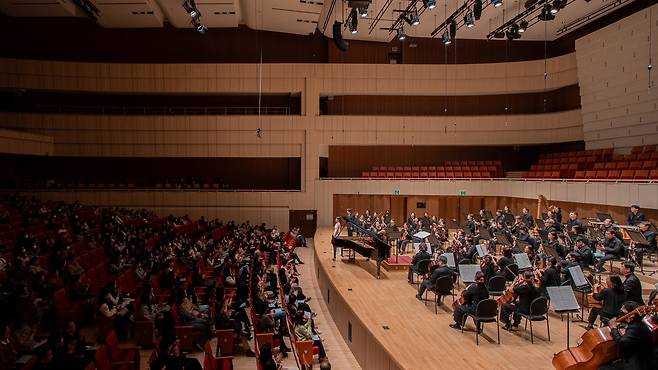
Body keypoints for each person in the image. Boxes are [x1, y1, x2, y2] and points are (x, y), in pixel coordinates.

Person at [605, 301, 654, 370]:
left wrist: (613, 329)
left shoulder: (634, 327)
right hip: (641, 358)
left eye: (623, 310)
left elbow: (621, 342)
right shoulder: (639, 323)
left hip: (637, 364)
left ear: (631, 314)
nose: (620, 311)